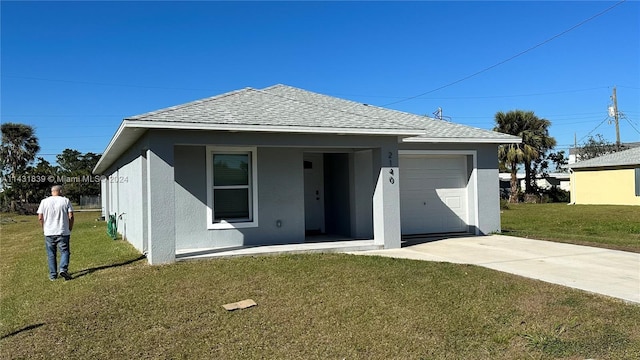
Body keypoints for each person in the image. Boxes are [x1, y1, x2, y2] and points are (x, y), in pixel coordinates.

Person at [37, 185, 74, 281]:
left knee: (51, 254)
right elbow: (71, 216)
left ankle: (53, 275)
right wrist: (70, 227)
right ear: (60, 191)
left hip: (49, 231)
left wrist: (44, 228)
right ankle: (63, 268)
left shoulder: (44, 202)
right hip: (62, 230)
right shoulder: (65, 200)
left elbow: (40, 217)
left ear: (52, 191)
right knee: (65, 251)